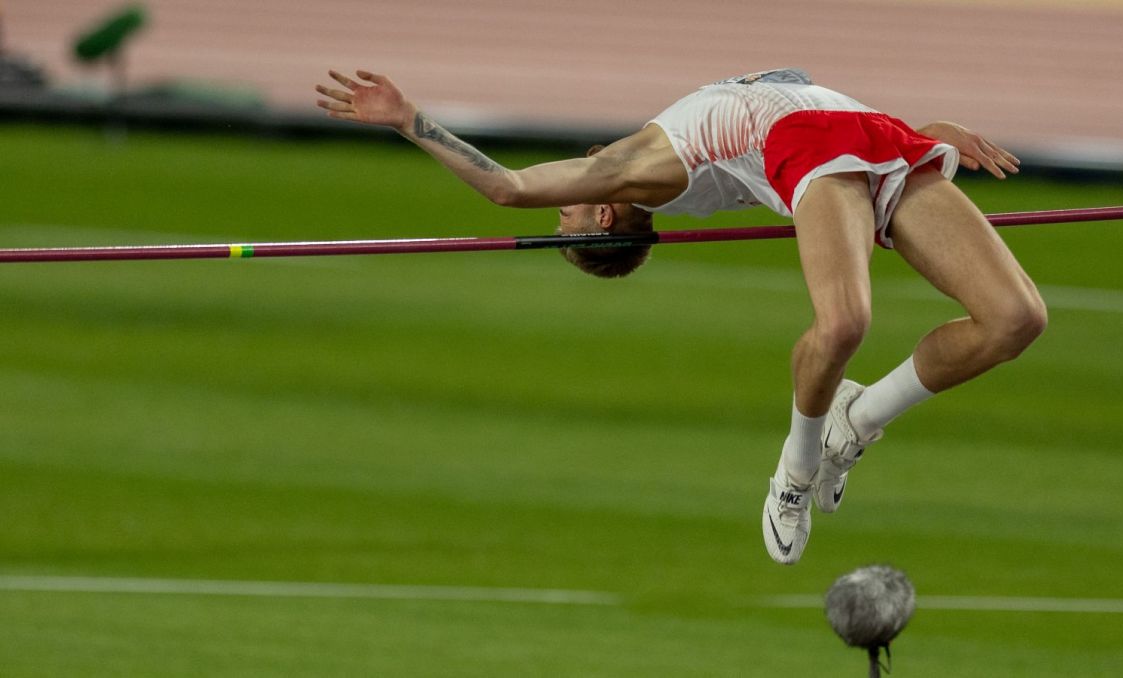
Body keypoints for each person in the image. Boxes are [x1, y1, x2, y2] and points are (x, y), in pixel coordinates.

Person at [316, 67, 1047, 565]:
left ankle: (856, 419)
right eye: (568, 212)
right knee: (843, 325)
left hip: (864, 136)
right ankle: (795, 470)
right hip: (811, 153)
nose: (564, 194)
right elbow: (508, 189)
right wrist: (408, 120)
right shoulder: (631, 166)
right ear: (601, 213)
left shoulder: (660, 172)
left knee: (1015, 319)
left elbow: (809, 109)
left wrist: (921, 128)